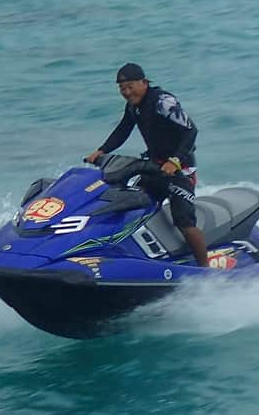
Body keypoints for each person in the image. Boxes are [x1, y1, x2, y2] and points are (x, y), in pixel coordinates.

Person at [84, 63, 210, 268]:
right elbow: (124, 129)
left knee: (184, 222)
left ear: (144, 82)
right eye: (122, 88)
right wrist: (101, 151)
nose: (126, 92)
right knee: (133, 203)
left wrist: (175, 161)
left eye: (130, 86)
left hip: (181, 169)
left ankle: (206, 268)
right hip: (155, 166)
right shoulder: (133, 105)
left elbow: (191, 132)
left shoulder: (163, 102)